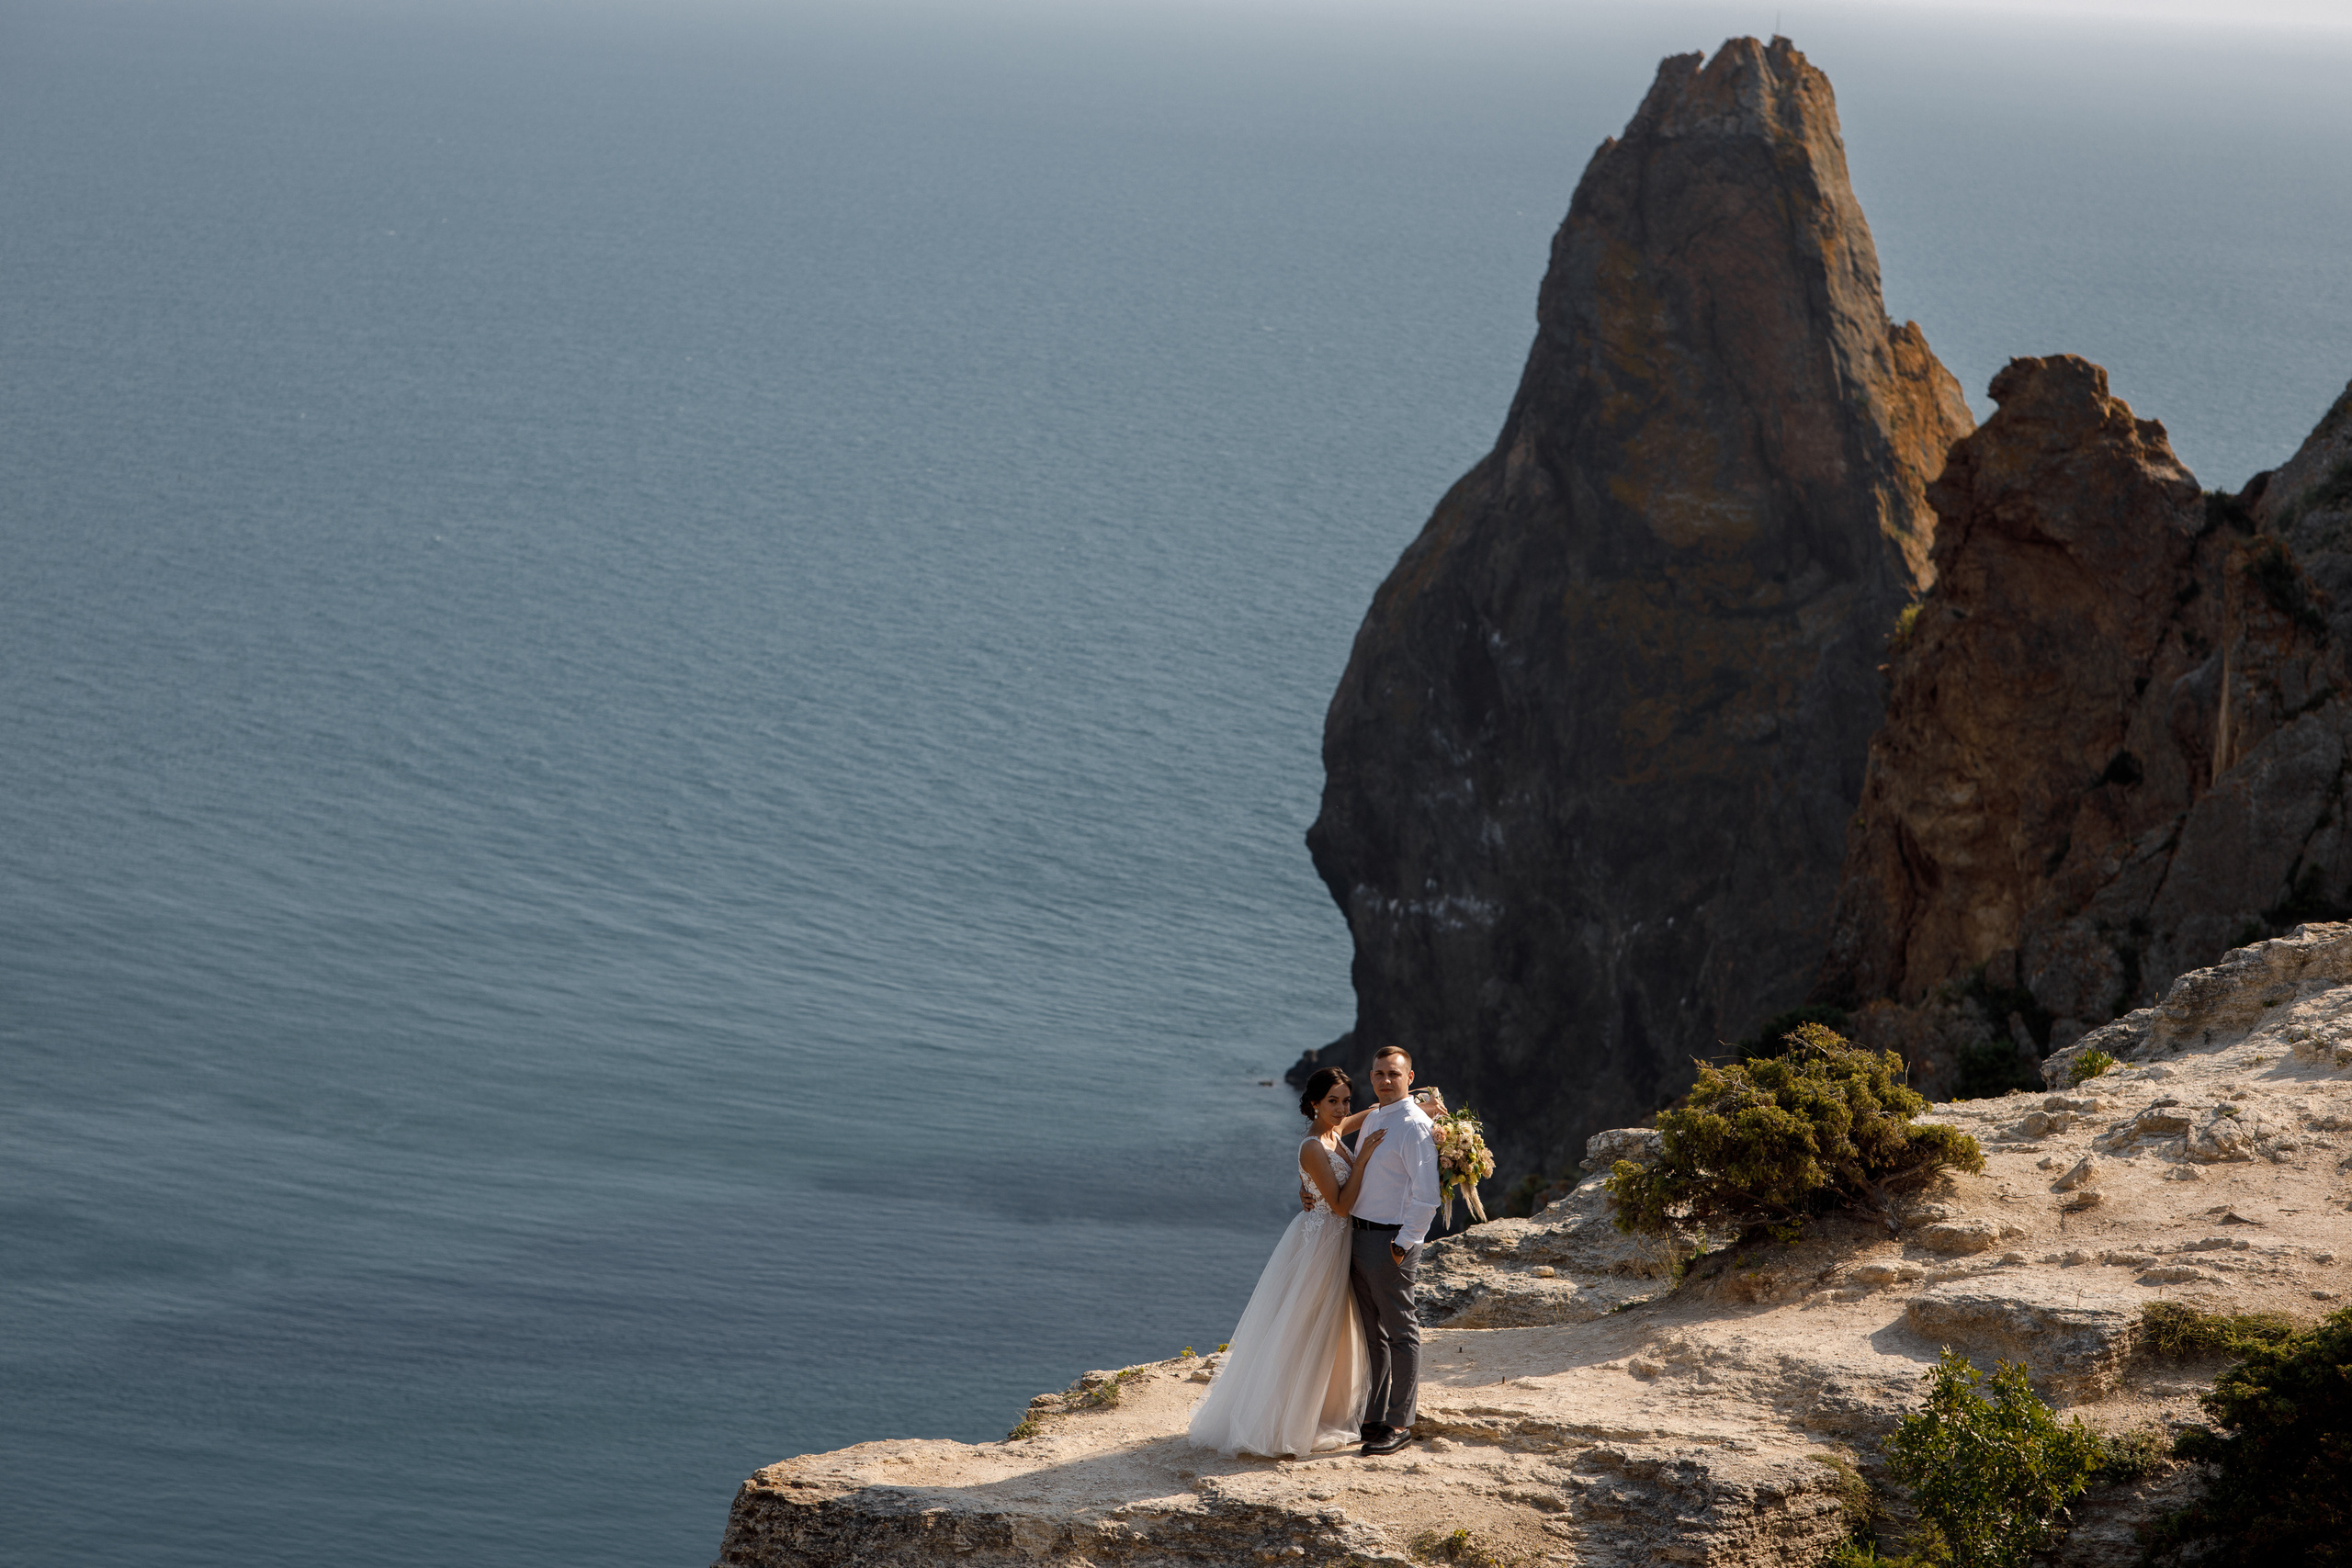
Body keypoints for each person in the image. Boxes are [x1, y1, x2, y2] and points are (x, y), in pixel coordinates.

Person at [1186, 1066, 1388, 1458]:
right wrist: (1362, 1161)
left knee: (1331, 1331)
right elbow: (1343, 1208)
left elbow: (1373, 1112)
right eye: (1332, 1101)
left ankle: (1319, 1411)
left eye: (1345, 1099)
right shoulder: (1313, 1145)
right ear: (1314, 1103)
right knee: (1303, 1330)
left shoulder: (1334, 1130)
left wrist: (1415, 1104)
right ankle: (1283, 1422)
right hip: (1321, 1246)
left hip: (1331, 1241)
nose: (1341, 1107)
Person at [1346, 1045, 1440, 1456]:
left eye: (1394, 1074)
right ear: (1371, 1078)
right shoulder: (1375, 1118)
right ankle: (1374, 1417)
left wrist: (1402, 1246)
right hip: (1359, 1236)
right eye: (1380, 1073)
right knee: (1374, 1336)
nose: (1387, 1080)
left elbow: (1427, 1197)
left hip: (1390, 1242)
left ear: (1410, 1078)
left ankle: (1400, 1423)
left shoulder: (1414, 1127)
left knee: (1402, 1334)